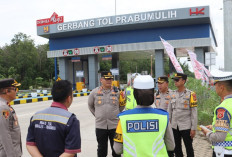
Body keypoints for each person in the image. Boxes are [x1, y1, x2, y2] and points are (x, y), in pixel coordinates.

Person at [113, 75, 175, 157]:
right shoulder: (163, 117)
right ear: (152, 95)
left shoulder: (123, 118)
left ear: (135, 95)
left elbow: (117, 149)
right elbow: (171, 146)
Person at [26, 80, 81, 157]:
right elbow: (71, 151)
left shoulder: (36, 116)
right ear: (69, 98)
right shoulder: (71, 120)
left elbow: (30, 144)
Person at [88, 71, 125, 157]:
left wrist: (115, 114)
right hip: (100, 126)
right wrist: (98, 115)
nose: (109, 80)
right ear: (101, 80)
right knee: (101, 149)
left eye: (111, 79)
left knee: (116, 150)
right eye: (107, 79)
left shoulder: (118, 92)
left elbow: (122, 105)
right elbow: (90, 106)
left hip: (114, 126)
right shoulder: (94, 92)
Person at [201, 74, 232, 157]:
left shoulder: (223, 108)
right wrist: (214, 126)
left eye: (215, 86)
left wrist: (207, 132)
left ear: (221, 88)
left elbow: (219, 137)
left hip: (224, 152)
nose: (215, 88)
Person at [169, 73, 197, 157]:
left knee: (189, 148)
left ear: (183, 81)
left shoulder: (191, 94)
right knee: (177, 148)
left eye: (177, 80)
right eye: (174, 80)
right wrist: (169, 125)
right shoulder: (172, 94)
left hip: (186, 126)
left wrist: (193, 128)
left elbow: (194, 112)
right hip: (174, 126)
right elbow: (169, 110)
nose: (175, 81)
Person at [0, 78, 22, 157]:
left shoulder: (5, 105)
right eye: (15, 89)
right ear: (7, 91)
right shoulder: (3, 108)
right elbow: (4, 134)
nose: (16, 91)